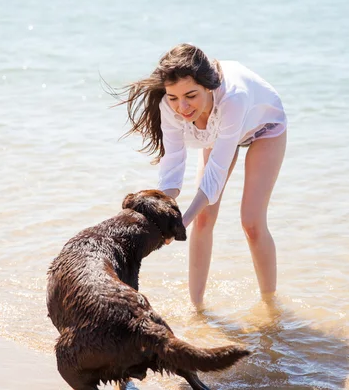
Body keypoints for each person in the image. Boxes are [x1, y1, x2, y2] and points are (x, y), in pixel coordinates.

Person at [117, 43, 287, 307]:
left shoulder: (233, 98)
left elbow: (215, 176)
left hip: (265, 127)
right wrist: (163, 215)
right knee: (204, 218)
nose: (182, 107)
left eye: (191, 95)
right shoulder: (169, 105)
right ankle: (197, 308)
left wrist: (180, 224)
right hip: (222, 133)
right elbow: (172, 169)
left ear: (208, 86)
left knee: (251, 223)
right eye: (173, 97)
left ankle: (270, 306)